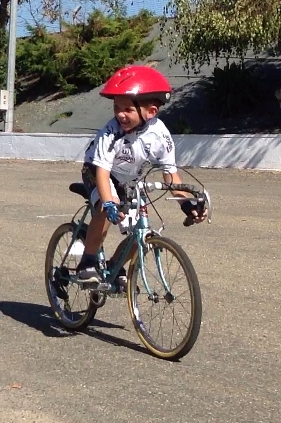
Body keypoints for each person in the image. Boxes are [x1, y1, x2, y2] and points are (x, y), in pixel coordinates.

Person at [76, 65, 208, 287]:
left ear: (151, 112)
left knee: (144, 233)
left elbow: (171, 176)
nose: (119, 114)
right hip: (96, 171)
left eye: (127, 109)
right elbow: (102, 172)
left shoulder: (160, 135)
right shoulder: (111, 132)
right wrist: (108, 202)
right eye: (116, 107)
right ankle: (87, 263)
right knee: (108, 206)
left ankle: (113, 266)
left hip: (129, 179)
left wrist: (187, 203)